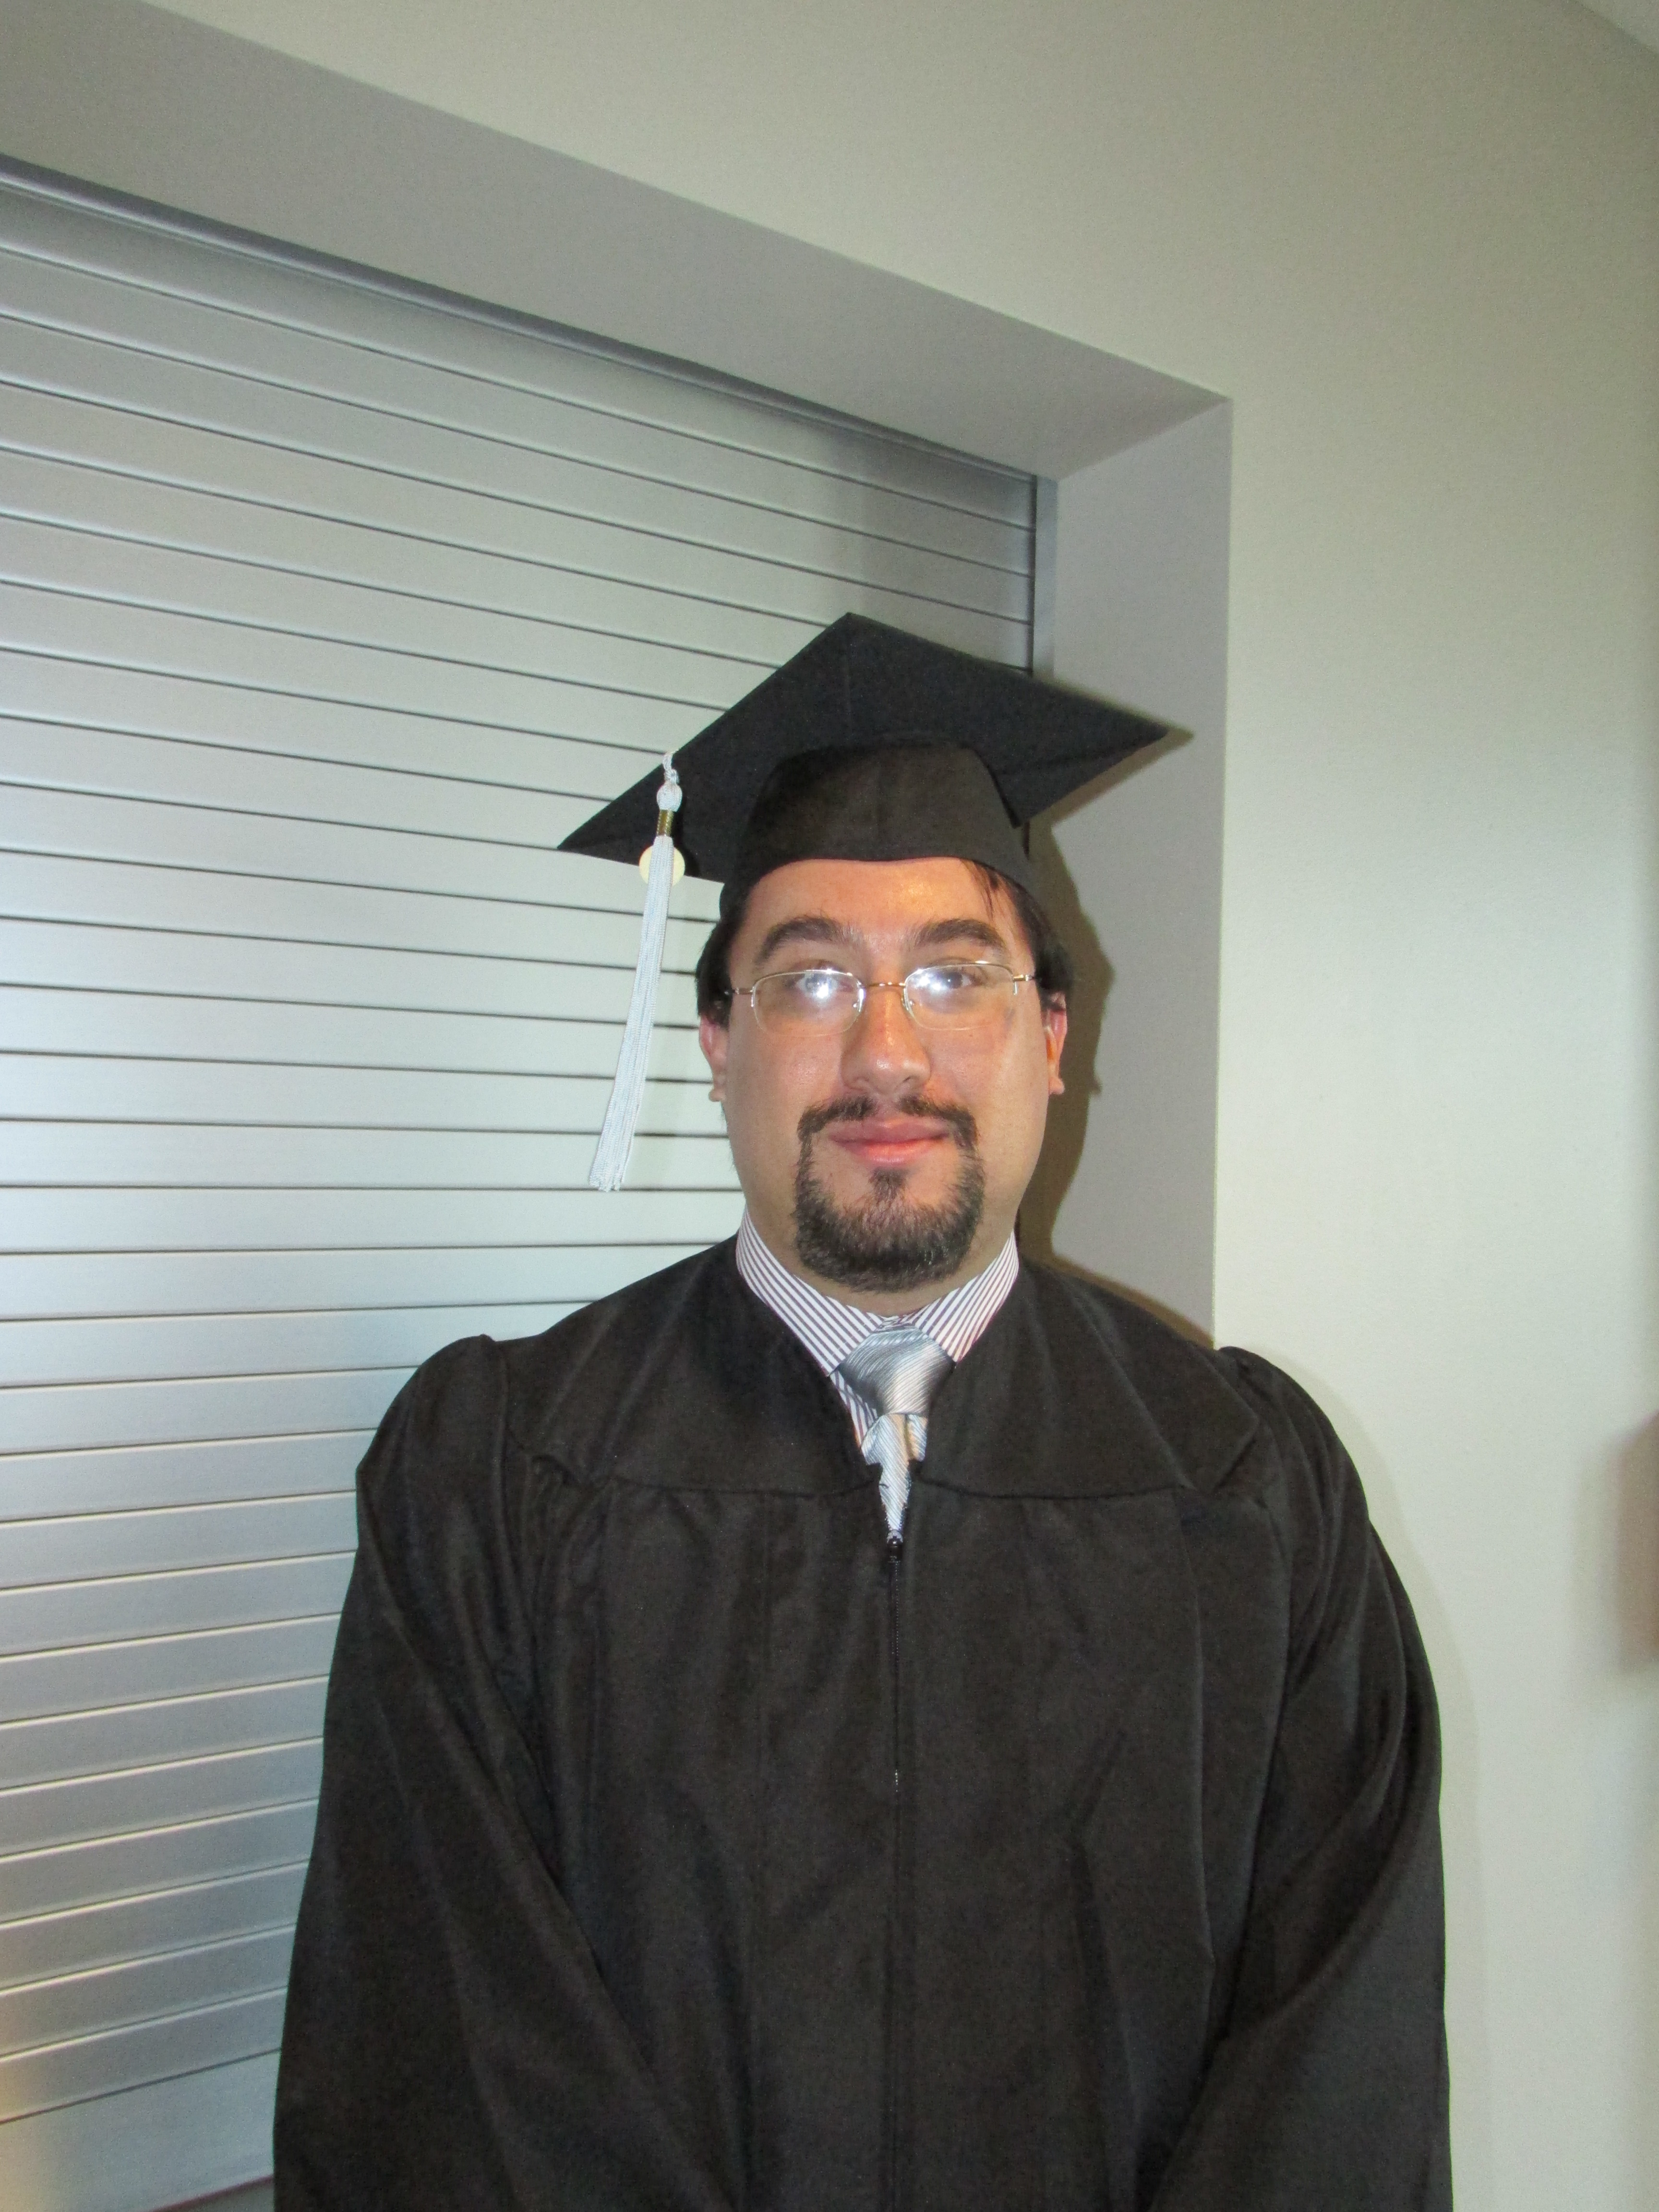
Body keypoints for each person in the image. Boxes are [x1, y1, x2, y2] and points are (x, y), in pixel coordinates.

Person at [275, 617, 1451, 2210]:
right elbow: (449, 2045)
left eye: (956, 978)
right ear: (719, 1042)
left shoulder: (1247, 1487)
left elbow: (1334, 2074)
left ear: (1052, 1039)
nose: (887, 1051)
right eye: (812, 978)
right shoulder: (496, 1476)